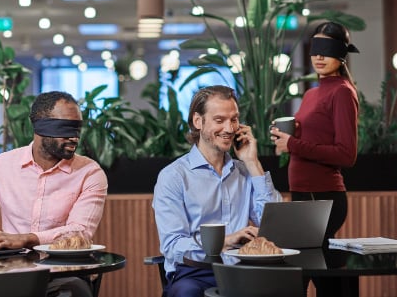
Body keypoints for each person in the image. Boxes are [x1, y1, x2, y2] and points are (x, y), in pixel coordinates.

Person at [0, 91, 108, 297]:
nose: (74, 138)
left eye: (78, 129)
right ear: (40, 127)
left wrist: (26, 239)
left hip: (64, 272)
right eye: (65, 129)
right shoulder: (0, 166)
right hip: (9, 272)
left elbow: (79, 232)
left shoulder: (90, 173)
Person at [153, 85, 282, 297]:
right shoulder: (173, 176)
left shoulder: (245, 171)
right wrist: (225, 241)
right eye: (219, 120)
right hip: (195, 271)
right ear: (198, 121)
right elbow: (173, 246)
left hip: (244, 268)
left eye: (234, 119)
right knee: (185, 293)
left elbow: (275, 226)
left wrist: (253, 162)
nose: (230, 129)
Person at [271, 21, 359, 296]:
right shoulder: (311, 94)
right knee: (312, 272)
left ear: (342, 53)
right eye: (315, 49)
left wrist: (294, 144)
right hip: (303, 194)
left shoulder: (342, 92)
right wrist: (286, 138)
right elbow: (312, 139)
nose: (319, 56)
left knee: (308, 274)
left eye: (327, 49)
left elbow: (347, 154)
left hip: (324, 196)